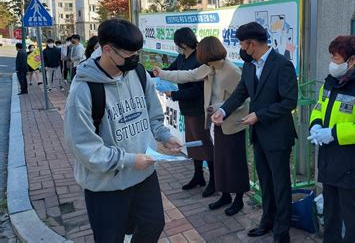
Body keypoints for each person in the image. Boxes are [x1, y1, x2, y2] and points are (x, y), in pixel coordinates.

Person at [64, 19, 183, 242]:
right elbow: (84, 148)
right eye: (129, 54)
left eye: (137, 53)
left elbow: (153, 116)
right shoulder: (83, 90)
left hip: (144, 175)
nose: (134, 59)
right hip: (106, 185)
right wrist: (128, 160)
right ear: (107, 49)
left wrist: (165, 136)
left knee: (153, 226)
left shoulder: (138, 73)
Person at [212, 22, 298, 243]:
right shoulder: (250, 65)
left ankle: (282, 231)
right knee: (265, 181)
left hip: (278, 135)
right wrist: (223, 110)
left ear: (251, 44)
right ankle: (266, 221)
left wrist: (259, 115)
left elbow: (289, 102)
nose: (240, 47)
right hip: (259, 134)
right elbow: (241, 92)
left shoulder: (282, 65)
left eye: (242, 43)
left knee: (280, 184)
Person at [155, 36, 250, 215]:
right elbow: (187, 75)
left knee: (235, 163)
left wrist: (222, 109)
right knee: (221, 161)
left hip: (232, 124)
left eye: (200, 52)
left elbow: (244, 100)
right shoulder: (209, 67)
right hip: (216, 123)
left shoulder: (231, 71)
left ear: (207, 53)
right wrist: (162, 73)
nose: (198, 55)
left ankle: (238, 199)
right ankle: (225, 195)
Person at [307, 35, 355, 243]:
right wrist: (316, 124)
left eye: (335, 58)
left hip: (350, 162)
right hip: (328, 159)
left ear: (351, 60)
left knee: (352, 216)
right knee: (330, 211)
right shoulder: (330, 81)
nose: (331, 62)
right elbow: (319, 106)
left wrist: (333, 133)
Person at [151, 28, 215, 197]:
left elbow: (198, 90)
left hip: (199, 108)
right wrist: (154, 72)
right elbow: (171, 72)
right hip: (187, 108)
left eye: (178, 44)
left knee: (204, 144)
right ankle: (198, 175)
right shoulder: (181, 57)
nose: (177, 48)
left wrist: (175, 94)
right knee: (193, 144)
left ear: (183, 44)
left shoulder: (200, 60)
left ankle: (214, 181)